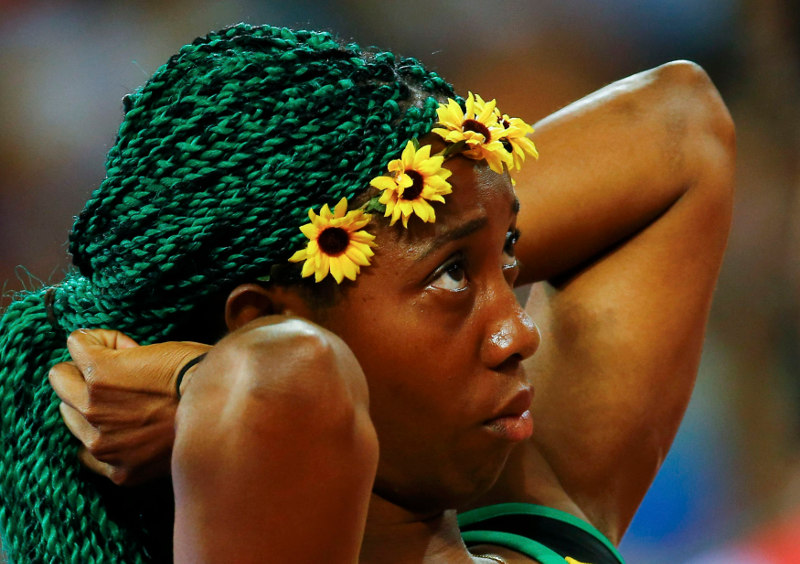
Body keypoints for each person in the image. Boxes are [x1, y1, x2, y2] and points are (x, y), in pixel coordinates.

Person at [0, 23, 735, 564]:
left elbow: (678, 125)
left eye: (509, 259)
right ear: (257, 322)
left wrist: (455, 216)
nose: (519, 332)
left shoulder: (532, 525)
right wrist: (201, 384)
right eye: (453, 277)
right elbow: (284, 376)